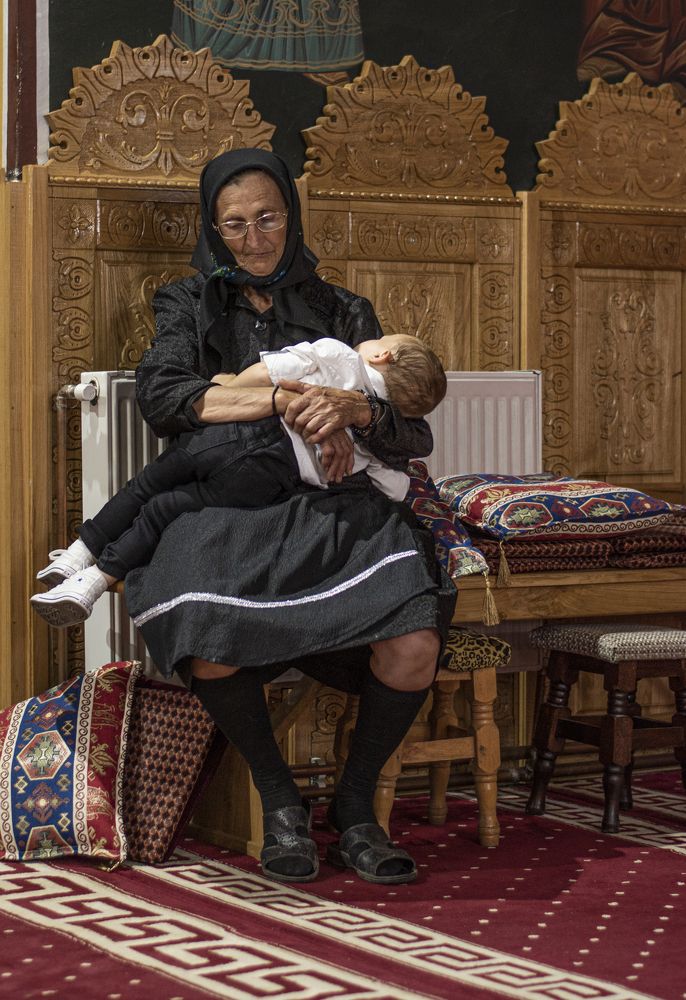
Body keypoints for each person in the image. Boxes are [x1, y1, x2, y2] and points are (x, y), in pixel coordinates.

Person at [110, 149, 456, 885]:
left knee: (414, 641)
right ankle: (280, 801)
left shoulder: (344, 309)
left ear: (291, 217)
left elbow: (413, 433)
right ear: (214, 229)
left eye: (267, 218)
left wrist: (355, 408)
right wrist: (283, 400)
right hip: (230, 500)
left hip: (334, 505)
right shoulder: (187, 303)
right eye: (234, 224)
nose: (254, 237)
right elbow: (166, 399)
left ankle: (355, 808)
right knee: (201, 630)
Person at [30, 333, 446, 627]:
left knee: (148, 484)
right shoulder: (384, 437)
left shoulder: (339, 355)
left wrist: (228, 384)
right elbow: (394, 488)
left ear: (383, 355)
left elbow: (267, 373)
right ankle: (91, 584)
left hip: (242, 432)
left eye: (378, 340)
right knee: (167, 508)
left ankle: (78, 554)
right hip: (266, 479)